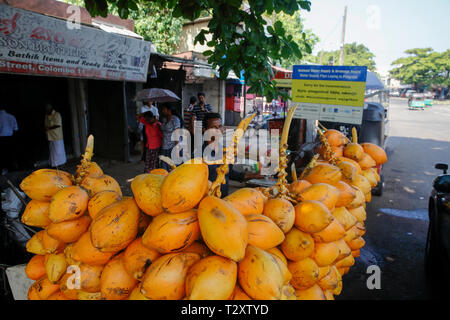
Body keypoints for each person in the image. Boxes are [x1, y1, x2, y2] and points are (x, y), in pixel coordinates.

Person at [202, 112, 263, 197]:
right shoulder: (199, 155)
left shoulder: (225, 151)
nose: (218, 131)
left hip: (223, 200)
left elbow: (229, 173)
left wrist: (254, 175)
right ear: (205, 130)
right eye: (213, 128)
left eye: (219, 127)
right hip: (206, 201)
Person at [160, 103, 182, 171]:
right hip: (165, 146)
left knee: (173, 167)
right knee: (165, 167)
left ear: (169, 110)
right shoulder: (164, 119)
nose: (162, 111)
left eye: (164, 109)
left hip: (173, 146)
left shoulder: (175, 119)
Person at [44, 103, 66, 168]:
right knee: (53, 152)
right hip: (50, 136)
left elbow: (58, 124)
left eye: (48, 108)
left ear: (51, 108)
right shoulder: (46, 116)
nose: (47, 110)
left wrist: (49, 128)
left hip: (57, 136)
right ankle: (54, 165)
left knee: (58, 151)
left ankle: (60, 164)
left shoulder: (57, 115)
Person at [0, 107, 18, 174]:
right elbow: (16, 128)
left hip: (2, 138)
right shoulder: (11, 116)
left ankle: (5, 168)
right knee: (11, 153)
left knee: (3, 154)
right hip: (10, 137)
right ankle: (12, 167)